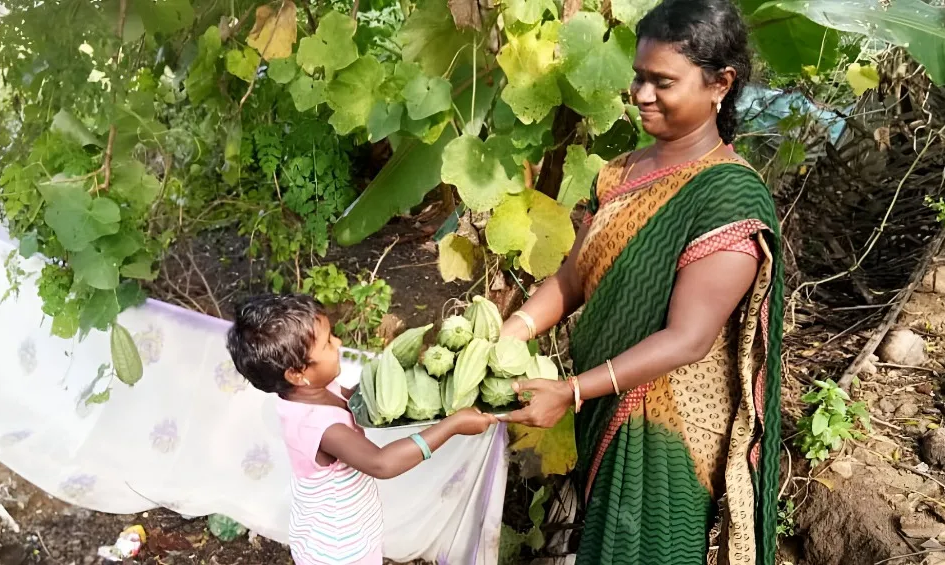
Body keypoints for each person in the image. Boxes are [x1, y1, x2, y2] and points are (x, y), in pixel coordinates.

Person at [497, 1, 782, 564]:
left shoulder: (728, 195)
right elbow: (574, 275)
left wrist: (573, 390)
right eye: (639, 76)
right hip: (607, 402)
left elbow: (687, 339)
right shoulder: (622, 171)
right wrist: (513, 330)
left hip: (664, 426)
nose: (642, 93)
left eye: (663, 82)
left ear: (719, 84)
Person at [226, 294, 497, 565]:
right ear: (297, 374)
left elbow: (361, 397)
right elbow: (381, 464)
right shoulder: (320, 426)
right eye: (328, 344)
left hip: (340, 527)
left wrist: (414, 375)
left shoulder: (313, 391)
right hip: (338, 550)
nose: (339, 343)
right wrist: (451, 425)